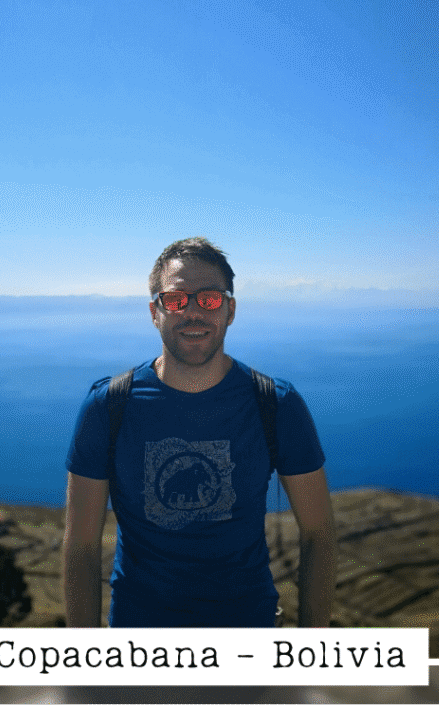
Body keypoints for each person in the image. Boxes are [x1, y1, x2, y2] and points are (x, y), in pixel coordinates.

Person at [63, 237, 336, 628]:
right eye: (175, 300)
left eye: (209, 299)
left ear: (230, 309)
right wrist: (84, 665)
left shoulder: (276, 404)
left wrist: (312, 655)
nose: (192, 312)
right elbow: (81, 547)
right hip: (139, 648)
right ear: (154, 312)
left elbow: (319, 534)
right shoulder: (108, 406)